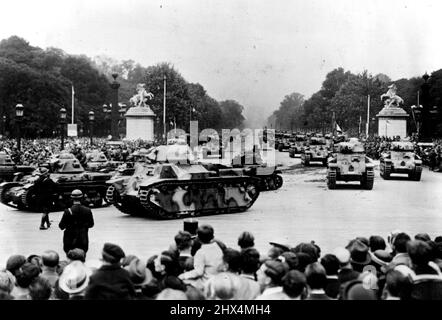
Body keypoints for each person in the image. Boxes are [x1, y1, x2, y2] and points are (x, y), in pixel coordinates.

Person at [58, 189, 94, 256]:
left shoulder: (68, 211)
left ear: (72, 198)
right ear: (82, 198)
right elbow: (91, 224)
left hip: (69, 240)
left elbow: (61, 226)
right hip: (83, 238)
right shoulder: (87, 210)